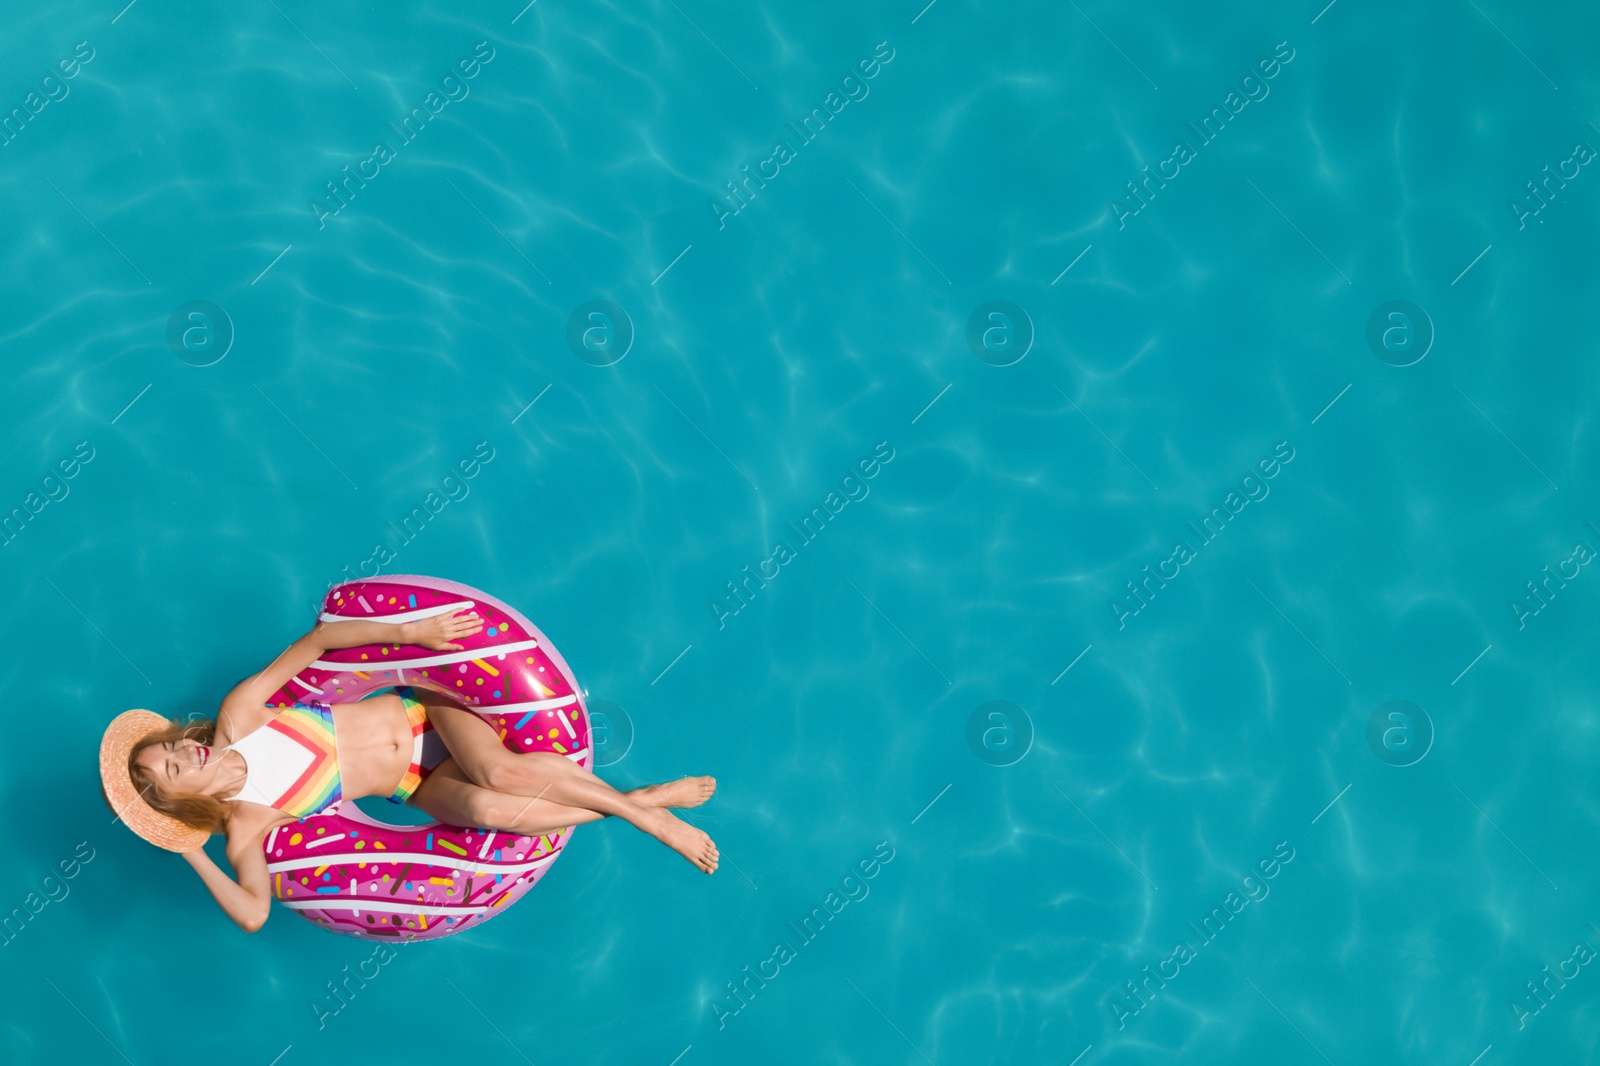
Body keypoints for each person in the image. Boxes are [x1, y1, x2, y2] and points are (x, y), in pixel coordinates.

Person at [99, 609, 717, 932]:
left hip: (431, 715)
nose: (187, 752)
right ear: (183, 802)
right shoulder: (248, 824)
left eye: (172, 747)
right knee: (488, 811)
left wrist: (410, 630)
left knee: (498, 772)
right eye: (176, 769)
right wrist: (187, 850)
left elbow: (315, 644)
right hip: (414, 786)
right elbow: (254, 914)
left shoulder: (241, 712)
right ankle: (644, 796)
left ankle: (650, 821)